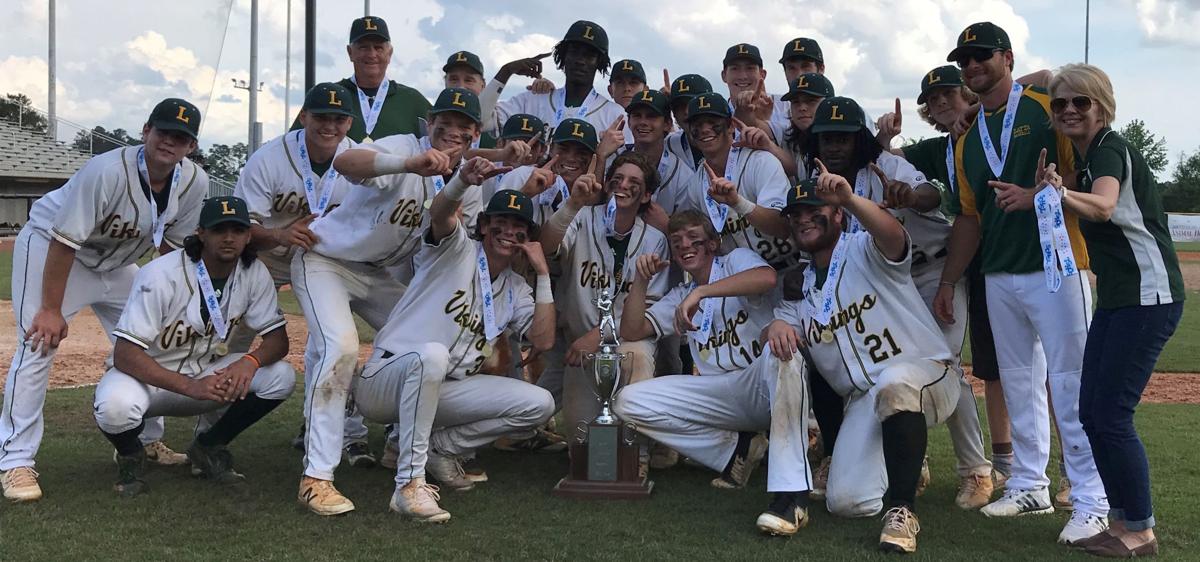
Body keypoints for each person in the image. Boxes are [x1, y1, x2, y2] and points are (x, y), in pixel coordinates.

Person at [933, 21, 1107, 546]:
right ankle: (1030, 483)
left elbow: (1083, 172)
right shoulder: (965, 140)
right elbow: (969, 217)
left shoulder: (1044, 106)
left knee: (1071, 382)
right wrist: (948, 281)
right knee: (1018, 380)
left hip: (1058, 266)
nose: (972, 66)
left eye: (982, 56)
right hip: (999, 273)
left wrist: (1039, 195)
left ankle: (1091, 498)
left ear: (1007, 58)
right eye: (965, 60)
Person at [1, 98, 208, 502]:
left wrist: (174, 298)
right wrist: (50, 308)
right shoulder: (107, 170)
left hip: (117, 263)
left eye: (180, 137)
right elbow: (64, 240)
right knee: (39, 343)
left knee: (155, 339)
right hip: (53, 248)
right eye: (164, 131)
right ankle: (15, 461)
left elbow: (175, 247)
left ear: (191, 146)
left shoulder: (193, 181)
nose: (170, 141)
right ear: (146, 130)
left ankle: (146, 439)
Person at [291, 87, 485, 516]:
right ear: (429, 122)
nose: (451, 132)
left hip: (377, 275)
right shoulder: (403, 145)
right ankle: (317, 477)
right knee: (340, 347)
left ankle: (407, 468)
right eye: (444, 123)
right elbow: (346, 162)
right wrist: (409, 163)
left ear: (474, 134)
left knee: (426, 346)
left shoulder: (467, 181)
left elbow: (446, 238)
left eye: (462, 127)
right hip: (326, 260)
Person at [801, 95, 992, 509]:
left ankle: (975, 470)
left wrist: (908, 196)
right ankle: (910, 455)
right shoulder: (816, 178)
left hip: (929, 270)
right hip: (881, 278)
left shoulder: (884, 164)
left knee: (945, 366)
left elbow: (930, 197)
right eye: (826, 137)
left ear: (860, 140)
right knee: (887, 367)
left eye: (845, 137)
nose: (834, 145)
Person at [769, 168, 961, 554]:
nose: (803, 218)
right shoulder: (804, 288)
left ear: (838, 215)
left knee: (895, 382)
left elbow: (893, 235)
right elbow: (782, 325)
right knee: (847, 502)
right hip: (865, 401)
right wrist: (774, 324)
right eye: (796, 214)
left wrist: (852, 200)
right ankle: (905, 458)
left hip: (927, 373)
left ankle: (902, 510)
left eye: (814, 209)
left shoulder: (863, 249)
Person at [1043, 63, 1184, 558]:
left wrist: (1060, 194)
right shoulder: (1086, 159)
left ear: (1101, 106)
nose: (1068, 110)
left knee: (1111, 414)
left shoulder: (1109, 150)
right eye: (1059, 103)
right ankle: (1123, 521)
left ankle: (1139, 530)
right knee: (1091, 412)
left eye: (1080, 102)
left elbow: (1102, 207)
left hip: (1150, 297)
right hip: (1122, 299)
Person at [354, 181, 556, 522]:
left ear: (527, 237)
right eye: (500, 223)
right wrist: (462, 179)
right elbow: (441, 214)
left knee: (540, 404)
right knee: (433, 355)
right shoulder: (456, 249)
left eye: (518, 227)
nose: (508, 232)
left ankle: (441, 449)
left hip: (443, 388)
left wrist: (543, 273)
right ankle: (409, 484)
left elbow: (545, 341)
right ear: (483, 226)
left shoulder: (516, 288)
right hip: (386, 381)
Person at [614, 210, 813, 537]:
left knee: (783, 350)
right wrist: (640, 280)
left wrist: (702, 292)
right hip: (720, 395)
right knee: (628, 402)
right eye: (677, 242)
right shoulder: (680, 295)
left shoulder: (734, 259)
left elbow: (767, 279)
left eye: (694, 238)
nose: (685, 246)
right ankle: (736, 450)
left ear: (713, 242)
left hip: (761, 382)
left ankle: (791, 494)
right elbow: (632, 330)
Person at [92, 196, 295, 497]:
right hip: (150, 382)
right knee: (114, 407)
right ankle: (131, 455)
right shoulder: (161, 274)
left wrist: (249, 362)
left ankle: (209, 446)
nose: (229, 238)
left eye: (237, 230)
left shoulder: (253, 272)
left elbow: (278, 341)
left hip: (206, 374)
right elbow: (125, 355)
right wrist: (189, 387)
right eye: (219, 229)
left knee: (281, 377)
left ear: (249, 235)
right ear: (201, 233)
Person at [236, 83, 378, 466]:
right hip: (267, 253)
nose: (329, 125)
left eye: (338, 118)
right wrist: (280, 234)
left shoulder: (360, 158)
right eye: (321, 117)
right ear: (304, 116)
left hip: (328, 260)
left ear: (349, 121)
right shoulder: (269, 159)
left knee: (329, 343)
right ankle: (212, 429)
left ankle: (339, 433)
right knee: (234, 337)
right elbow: (241, 226)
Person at [540, 151, 669, 432]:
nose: (623, 185)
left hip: (625, 340)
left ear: (646, 195)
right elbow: (548, 246)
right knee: (581, 440)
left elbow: (648, 311)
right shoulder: (583, 217)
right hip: (579, 347)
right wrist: (573, 203)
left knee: (639, 356)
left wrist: (599, 334)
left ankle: (639, 453)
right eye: (618, 179)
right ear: (607, 183)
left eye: (633, 182)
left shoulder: (655, 240)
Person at [679, 93, 794, 271]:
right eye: (698, 124)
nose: (705, 129)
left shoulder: (761, 161)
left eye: (712, 122)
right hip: (743, 283)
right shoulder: (695, 185)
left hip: (790, 268)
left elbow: (782, 227)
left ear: (731, 125)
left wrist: (738, 203)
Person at [291, 16, 431, 142]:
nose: (371, 54)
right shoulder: (326, 97)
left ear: (390, 53)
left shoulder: (413, 101)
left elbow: (438, 145)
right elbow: (294, 143)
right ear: (350, 52)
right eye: (364, 47)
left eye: (378, 48)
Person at [490, 20, 624, 136]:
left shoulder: (615, 115)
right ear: (563, 55)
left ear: (599, 62)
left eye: (589, 55)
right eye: (574, 51)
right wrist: (505, 71)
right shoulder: (532, 100)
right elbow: (480, 122)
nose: (580, 61)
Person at [442, 50, 498, 149]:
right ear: (445, 82)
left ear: (483, 85)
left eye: (468, 80)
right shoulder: (433, 120)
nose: (461, 87)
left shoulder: (496, 127)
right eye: (454, 79)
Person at [771, 38, 825, 131]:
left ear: (821, 69)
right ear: (785, 72)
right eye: (792, 68)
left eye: (805, 66)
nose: (799, 75)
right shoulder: (777, 115)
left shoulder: (844, 113)